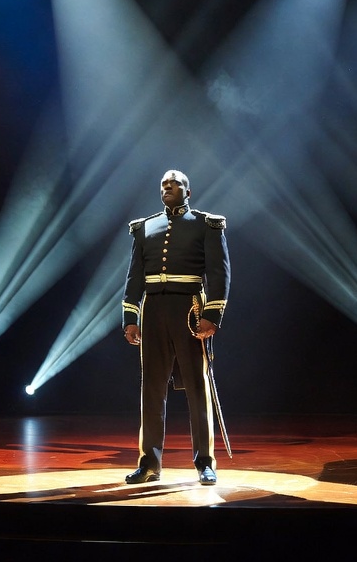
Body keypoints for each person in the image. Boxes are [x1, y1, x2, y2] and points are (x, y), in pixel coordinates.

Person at [122, 169, 230, 485]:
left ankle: (204, 463)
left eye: (175, 184)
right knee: (151, 389)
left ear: (188, 191)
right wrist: (131, 317)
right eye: (164, 184)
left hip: (189, 310)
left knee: (197, 387)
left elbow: (220, 274)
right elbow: (134, 277)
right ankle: (149, 462)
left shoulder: (206, 225)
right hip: (153, 309)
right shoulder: (144, 228)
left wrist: (213, 314)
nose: (168, 187)